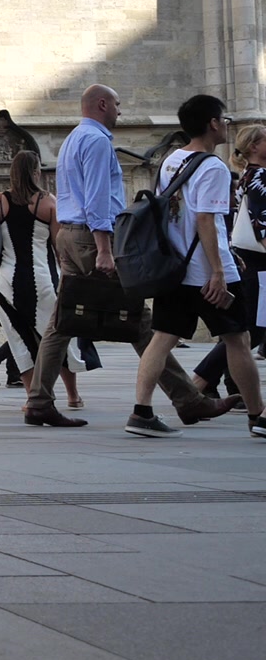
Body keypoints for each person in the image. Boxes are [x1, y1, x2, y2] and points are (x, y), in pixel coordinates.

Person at [27, 84, 239, 429]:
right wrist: (106, 249)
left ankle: (38, 401)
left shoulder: (73, 138)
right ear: (101, 105)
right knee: (140, 320)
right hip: (93, 238)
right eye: (117, 105)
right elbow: (97, 197)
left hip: (70, 233)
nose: (120, 112)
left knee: (63, 320)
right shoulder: (96, 140)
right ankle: (186, 400)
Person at [125, 95, 266, 438]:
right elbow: (205, 219)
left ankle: (141, 411)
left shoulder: (172, 159)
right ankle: (258, 415)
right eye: (224, 120)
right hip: (207, 270)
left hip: (175, 268)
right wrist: (218, 271)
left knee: (162, 338)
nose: (227, 125)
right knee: (238, 338)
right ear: (213, 123)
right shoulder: (214, 166)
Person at [0, 152, 81, 408]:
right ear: (36, 172)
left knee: (20, 339)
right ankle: (73, 396)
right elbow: (58, 245)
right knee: (55, 336)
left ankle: (33, 397)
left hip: (5, 282)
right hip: (43, 279)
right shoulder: (48, 201)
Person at [188, 124, 266, 398]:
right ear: (254, 147)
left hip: (249, 258)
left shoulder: (248, 175)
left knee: (251, 328)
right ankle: (201, 379)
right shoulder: (259, 177)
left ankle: (211, 382)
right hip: (259, 260)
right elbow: (261, 223)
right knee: (253, 329)